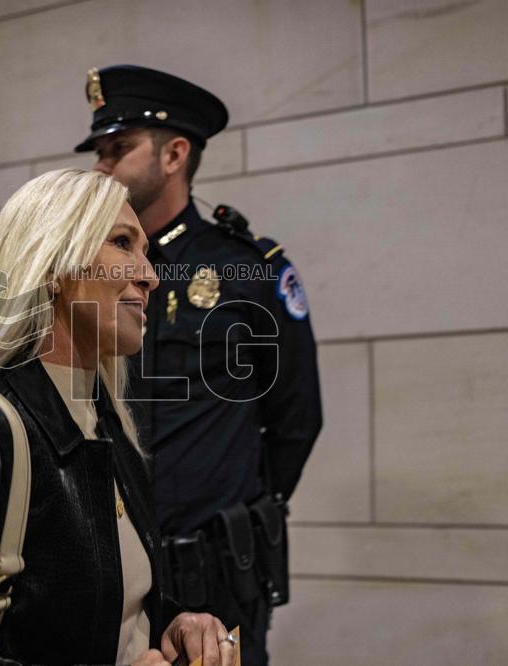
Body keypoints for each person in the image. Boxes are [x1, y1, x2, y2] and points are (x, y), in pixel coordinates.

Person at [0, 169, 238, 666]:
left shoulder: (108, 422)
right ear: (53, 266)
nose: (150, 275)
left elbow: (96, 610)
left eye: (145, 251)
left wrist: (174, 623)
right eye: (122, 243)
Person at [74, 65, 323, 665]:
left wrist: (237, 508)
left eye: (118, 149)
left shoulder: (248, 268)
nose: (101, 167)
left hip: (217, 568)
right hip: (116, 566)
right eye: (99, 152)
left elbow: (296, 417)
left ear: (174, 155)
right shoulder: (89, 269)